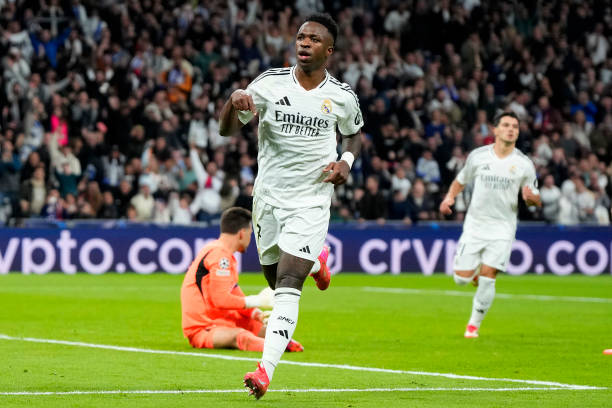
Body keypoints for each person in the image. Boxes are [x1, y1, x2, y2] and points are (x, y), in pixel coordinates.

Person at [219, 13, 362, 399]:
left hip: (311, 200)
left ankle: (264, 371)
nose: (304, 43)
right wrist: (233, 102)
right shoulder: (268, 83)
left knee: (286, 283)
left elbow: (354, 134)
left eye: (313, 39)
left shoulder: (342, 96)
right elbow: (226, 129)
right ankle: (317, 262)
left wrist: (346, 162)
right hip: (268, 198)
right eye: (301, 37)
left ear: (328, 50)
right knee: (272, 276)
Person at [439, 112, 541, 338]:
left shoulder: (524, 164)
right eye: (506, 125)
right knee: (461, 279)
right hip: (475, 225)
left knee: (488, 276)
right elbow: (460, 180)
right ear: (495, 130)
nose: (511, 129)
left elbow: (535, 199)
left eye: (515, 126)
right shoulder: (478, 156)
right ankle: (472, 275)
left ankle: (473, 325)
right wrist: (449, 198)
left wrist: (532, 199)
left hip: (503, 228)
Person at [180, 207, 304, 352]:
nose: (250, 239)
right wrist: (258, 300)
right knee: (240, 336)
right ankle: (277, 349)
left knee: (261, 327)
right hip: (202, 327)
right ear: (241, 233)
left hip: (219, 320)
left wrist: (258, 314)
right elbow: (220, 300)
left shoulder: (220, 252)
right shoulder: (220, 256)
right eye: (250, 234)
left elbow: (235, 294)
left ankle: (283, 344)